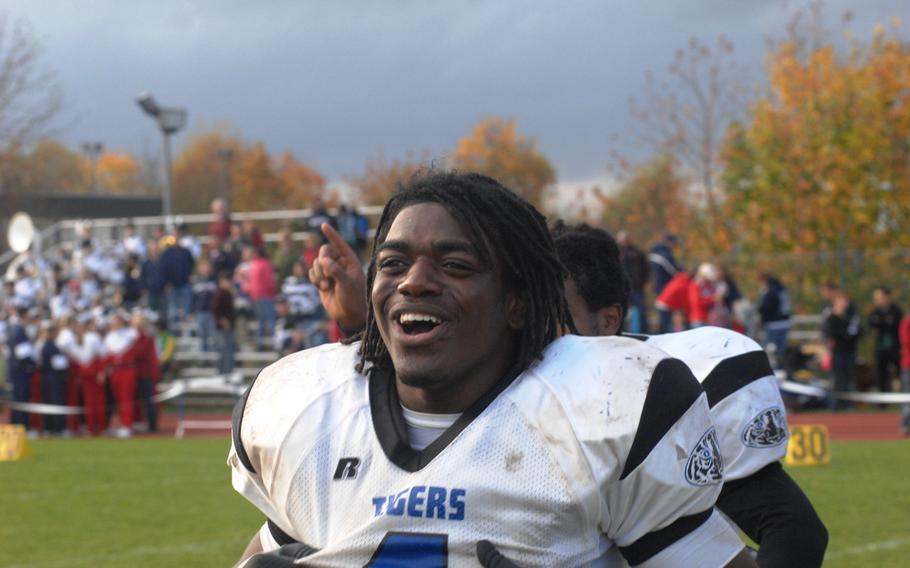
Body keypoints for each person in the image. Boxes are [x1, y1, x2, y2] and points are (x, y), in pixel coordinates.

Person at [233, 172, 753, 567]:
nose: (414, 282)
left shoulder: (599, 412)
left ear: (517, 304)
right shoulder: (308, 414)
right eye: (392, 263)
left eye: (455, 265)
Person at [550, 223, 827, 568]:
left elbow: (794, 530)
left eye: (555, 317)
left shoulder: (672, 388)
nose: (537, 332)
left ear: (608, 321)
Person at [822, 288, 862, 410]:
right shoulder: (832, 317)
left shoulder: (851, 317)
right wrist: (846, 334)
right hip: (838, 352)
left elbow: (859, 332)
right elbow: (831, 333)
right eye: (841, 301)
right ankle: (836, 404)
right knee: (837, 378)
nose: (844, 303)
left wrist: (850, 335)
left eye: (845, 300)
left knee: (849, 377)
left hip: (850, 351)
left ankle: (848, 404)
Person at [867, 286, 903, 397]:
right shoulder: (875, 312)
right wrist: (885, 323)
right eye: (876, 298)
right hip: (881, 348)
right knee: (881, 374)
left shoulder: (897, 311)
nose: (877, 301)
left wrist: (882, 323)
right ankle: (883, 401)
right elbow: (873, 324)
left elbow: (895, 325)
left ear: (887, 297)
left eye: (880, 297)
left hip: (895, 348)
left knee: (901, 373)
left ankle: (903, 399)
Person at [757, 273, 792, 369]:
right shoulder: (782, 290)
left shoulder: (770, 292)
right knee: (780, 350)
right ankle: (781, 368)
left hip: (773, 324)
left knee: (770, 350)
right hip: (784, 323)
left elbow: (764, 307)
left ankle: (773, 370)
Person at [617, 230, 649, 333]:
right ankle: (622, 332)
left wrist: (644, 281)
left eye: (626, 239)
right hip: (622, 289)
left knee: (640, 311)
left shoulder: (637, 253)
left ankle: (642, 332)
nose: (624, 241)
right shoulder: (616, 253)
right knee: (622, 312)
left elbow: (645, 268)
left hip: (637, 287)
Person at [648, 233, 681, 333]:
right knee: (665, 315)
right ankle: (664, 334)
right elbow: (675, 271)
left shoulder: (653, 253)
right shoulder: (664, 255)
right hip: (665, 288)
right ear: (668, 242)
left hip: (656, 286)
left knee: (662, 312)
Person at [211, 271, 237, 375]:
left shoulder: (228, 293)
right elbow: (215, 309)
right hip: (222, 329)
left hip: (229, 328)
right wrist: (222, 320)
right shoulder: (219, 293)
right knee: (223, 352)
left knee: (229, 351)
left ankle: (228, 373)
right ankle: (222, 373)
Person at [899, 312, 910, 437]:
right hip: (908, 364)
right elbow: (905, 340)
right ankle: (905, 425)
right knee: (908, 397)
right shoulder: (907, 322)